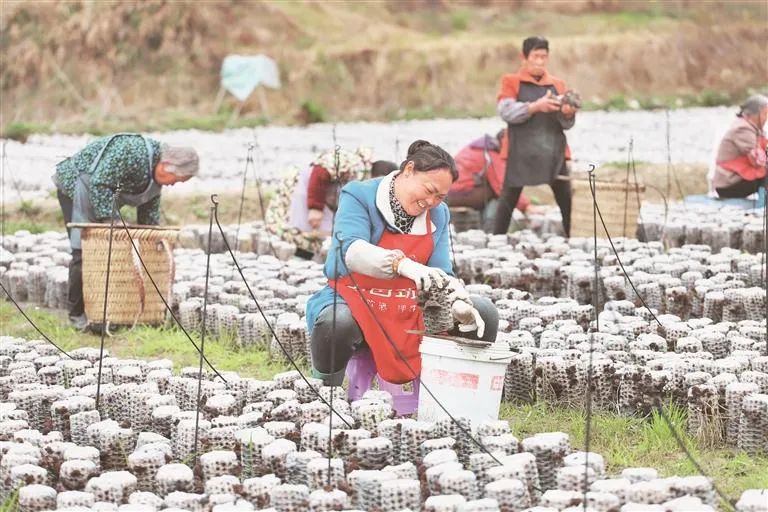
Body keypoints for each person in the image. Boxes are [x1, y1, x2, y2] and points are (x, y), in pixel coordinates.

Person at [305, 140, 500, 386]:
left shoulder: (438, 213)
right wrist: (401, 265)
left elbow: (440, 270)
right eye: (429, 190)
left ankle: (457, 391)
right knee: (336, 323)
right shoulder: (360, 195)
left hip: (409, 304)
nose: (431, 201)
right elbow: (350, 251)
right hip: (357, 297)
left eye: (440, 196)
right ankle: (324, 390)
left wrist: (457, 301)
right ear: (408, 170)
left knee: (484, 314)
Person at [53, 133, 199, 329]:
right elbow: (100, 182)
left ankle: (108, 311)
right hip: (79, 185)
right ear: (166, 165)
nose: (174, 184)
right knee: (85, 250)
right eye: (177, 179)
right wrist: (111, 220)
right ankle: (77, 314)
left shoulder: (156, 177)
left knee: (111, 252)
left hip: (100, 192)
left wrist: (152, 236)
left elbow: (148, 211)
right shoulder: (132, 151)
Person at [493, 35, 578, 237]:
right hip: (520, 150)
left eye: (543, 56)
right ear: (524, 57)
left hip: (553, 151)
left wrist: (567, 112)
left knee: (565, 197)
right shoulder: (511, 81)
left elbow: (566, 124)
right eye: (535, 56)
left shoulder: (558, 84)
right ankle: (496, 239)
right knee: (508, 198)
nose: (540, 61)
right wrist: (536, 107)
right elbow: (506, 112)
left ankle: (573, 237)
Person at [266, 148, 397, 259]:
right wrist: (315, 208)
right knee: (291, 226)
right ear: (378, 176)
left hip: (323, 198)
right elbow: (320, 171)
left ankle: (304, 257)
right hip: (303, 190)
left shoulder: (362, 180)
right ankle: (285, 256)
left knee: (320, 234)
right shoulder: (355, 165)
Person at [446, 129, 531, 231]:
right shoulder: (491, 154)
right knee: (496, 192)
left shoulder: (479, 147)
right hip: (457, 194)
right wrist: (526, 206)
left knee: (492, 188)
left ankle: (488, 225)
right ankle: (491, 227)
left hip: (449, 192)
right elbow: (503, 186)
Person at [712, 94, 768, 198]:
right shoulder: (742, 129)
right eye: (765, 114)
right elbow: (758, 161)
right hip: (729, 184)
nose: (766, 118)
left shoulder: (752, 128)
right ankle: (763, 206)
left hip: (736, 179)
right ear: (755, 114)